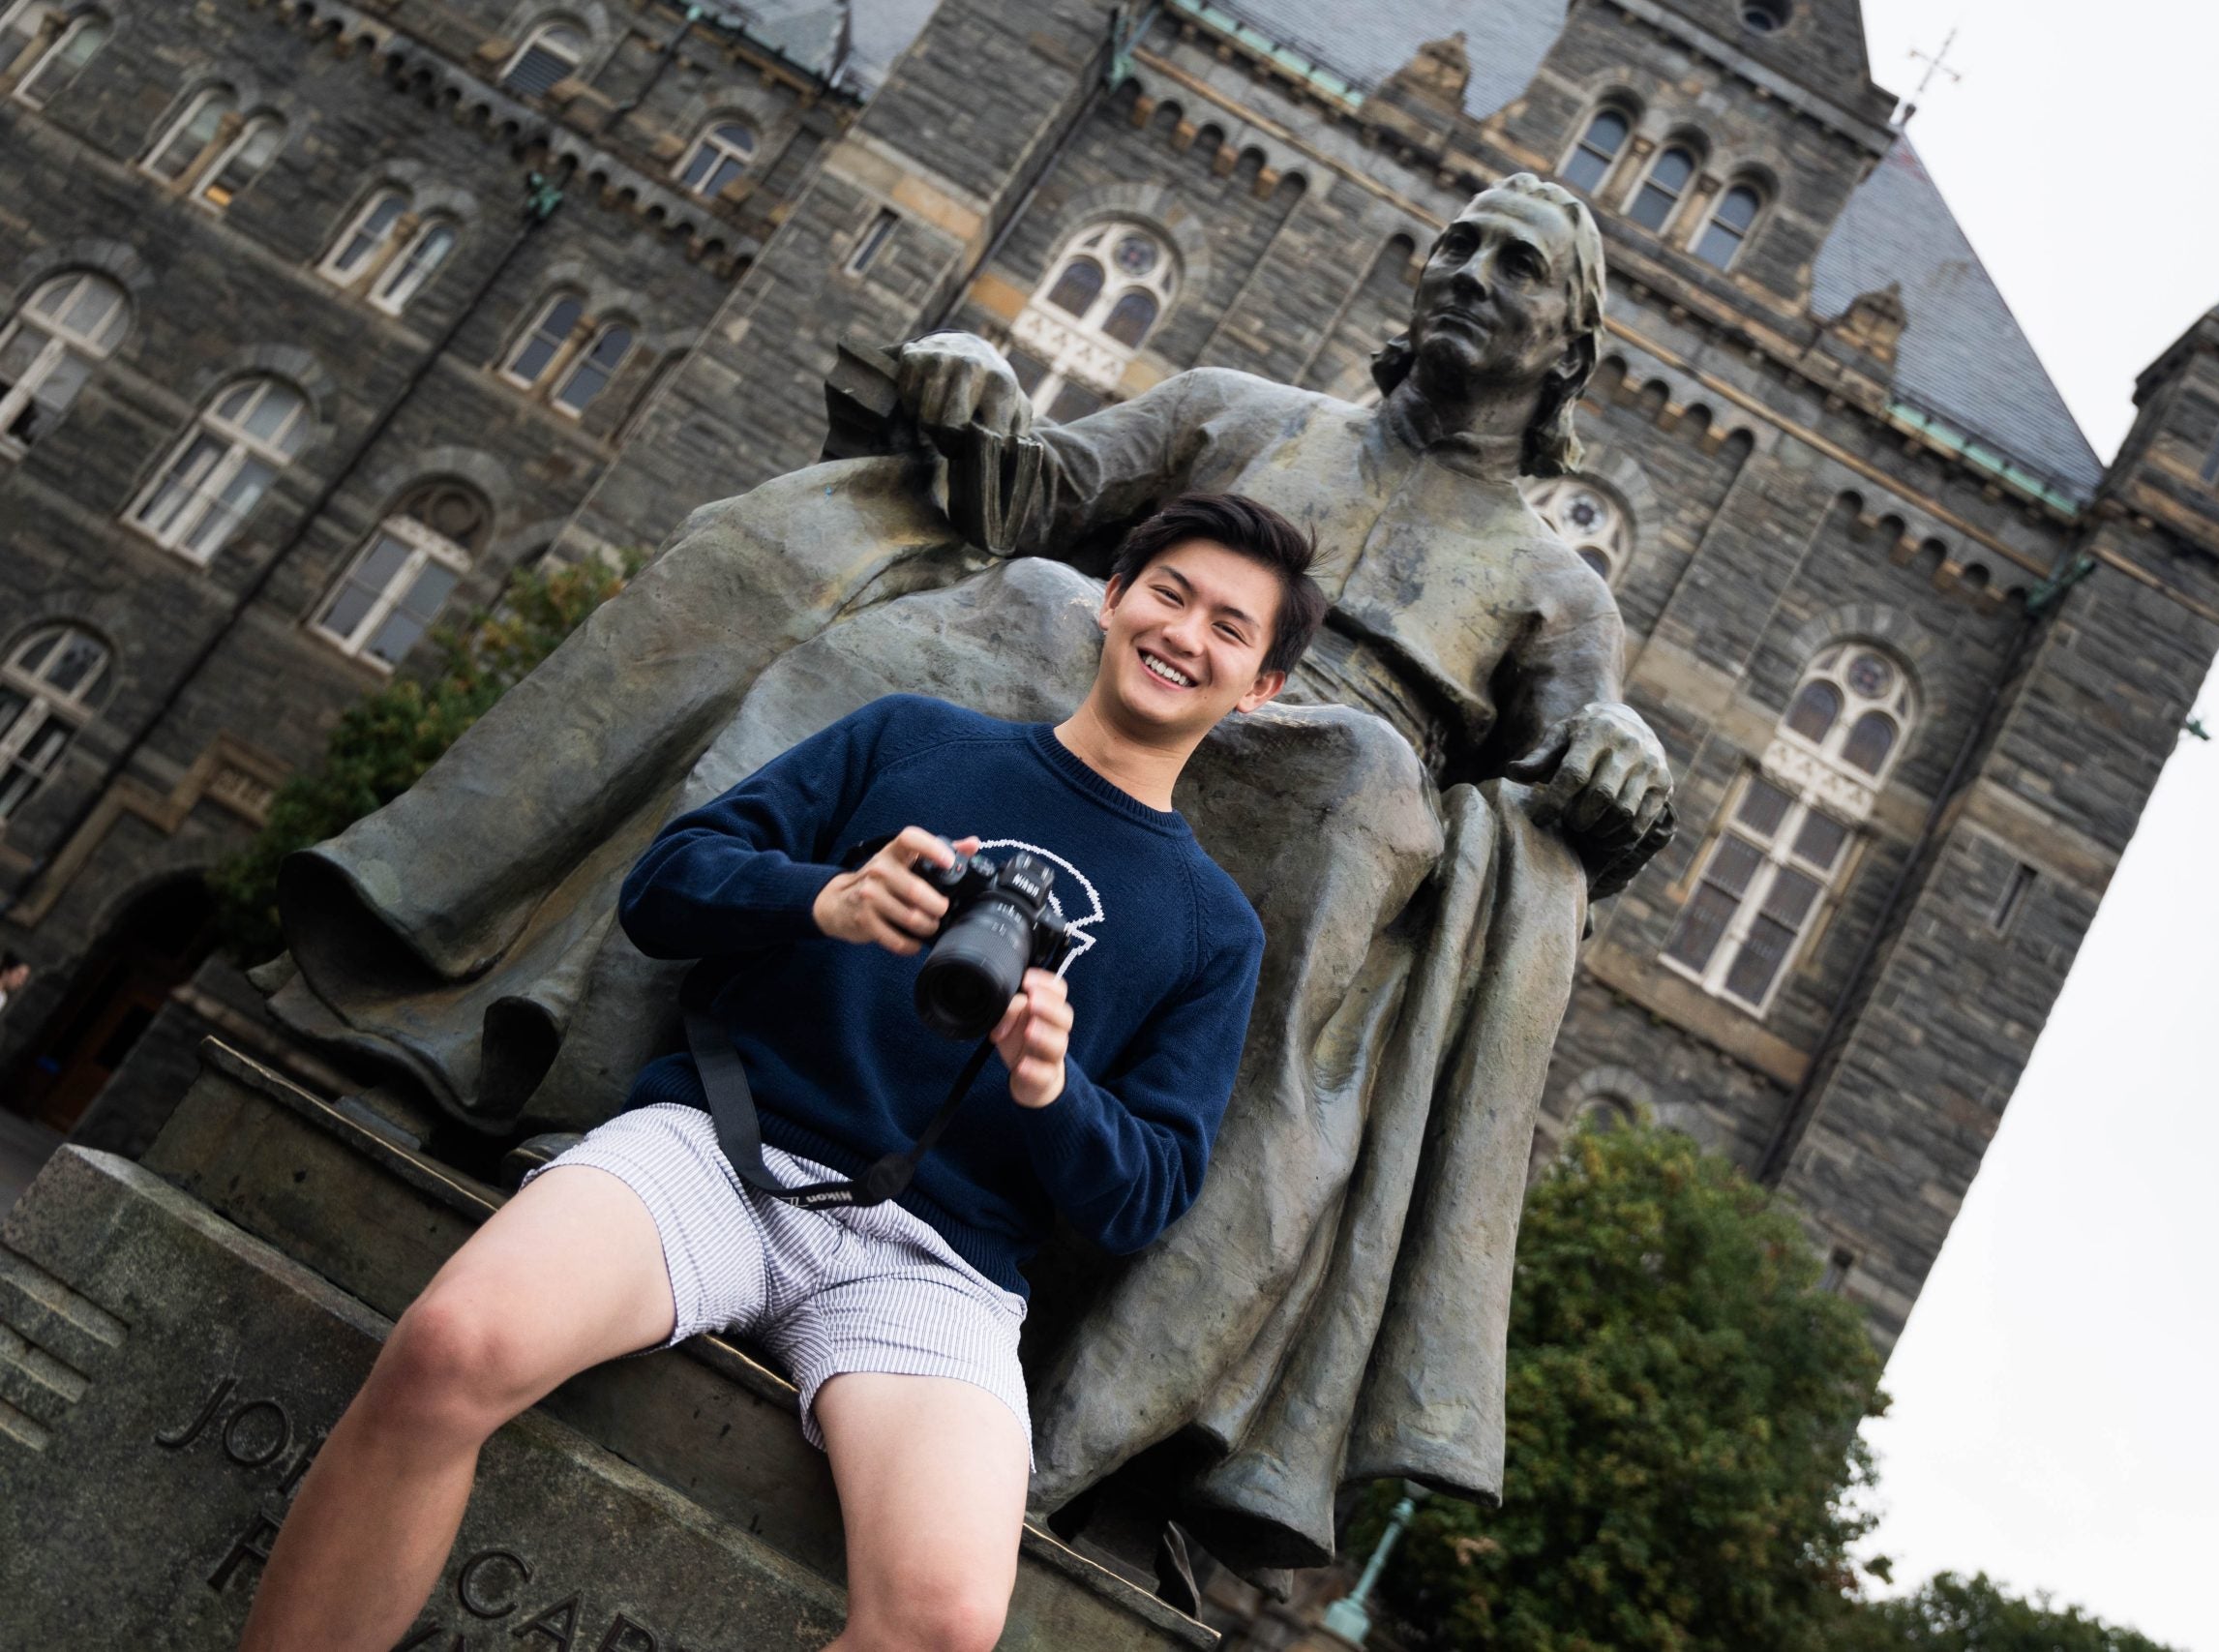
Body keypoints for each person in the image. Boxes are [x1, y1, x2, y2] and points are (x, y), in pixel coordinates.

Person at [239, 495, 1326, 1652]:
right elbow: (666, 886)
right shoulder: (912, 739)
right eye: (1167, 592)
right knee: (454, 1347)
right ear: (1110, 598)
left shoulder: (1217, 931)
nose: (1184, 633)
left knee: (946, 1623)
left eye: (1228, 626)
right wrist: (828, 898)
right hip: (719, 1151)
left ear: (1259, 686)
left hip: (936, 1272)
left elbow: (1147, 1194)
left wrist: (1054, 1087)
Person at [0, 951, 27, 1019]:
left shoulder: (3, 998)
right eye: (19, 975)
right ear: (7, 970)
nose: (20, 982)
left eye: (23, 978)